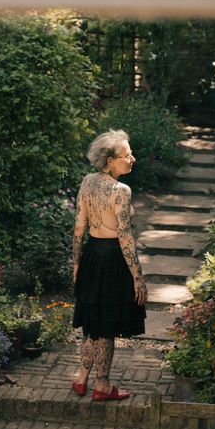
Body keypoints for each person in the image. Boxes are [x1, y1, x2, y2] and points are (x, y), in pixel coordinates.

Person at [71, 129, 148, 401]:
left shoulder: (87, 182)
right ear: (110, 160)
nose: (132, 159)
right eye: (127, 155)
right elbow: (125, 235)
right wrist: (137, 276)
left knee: (92, 322)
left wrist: (77, 262)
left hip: (92, 255)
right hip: (112, 258)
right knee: (105, 328)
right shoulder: (120, 190)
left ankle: (82, 379)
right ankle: (102, 385)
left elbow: (79, 226)